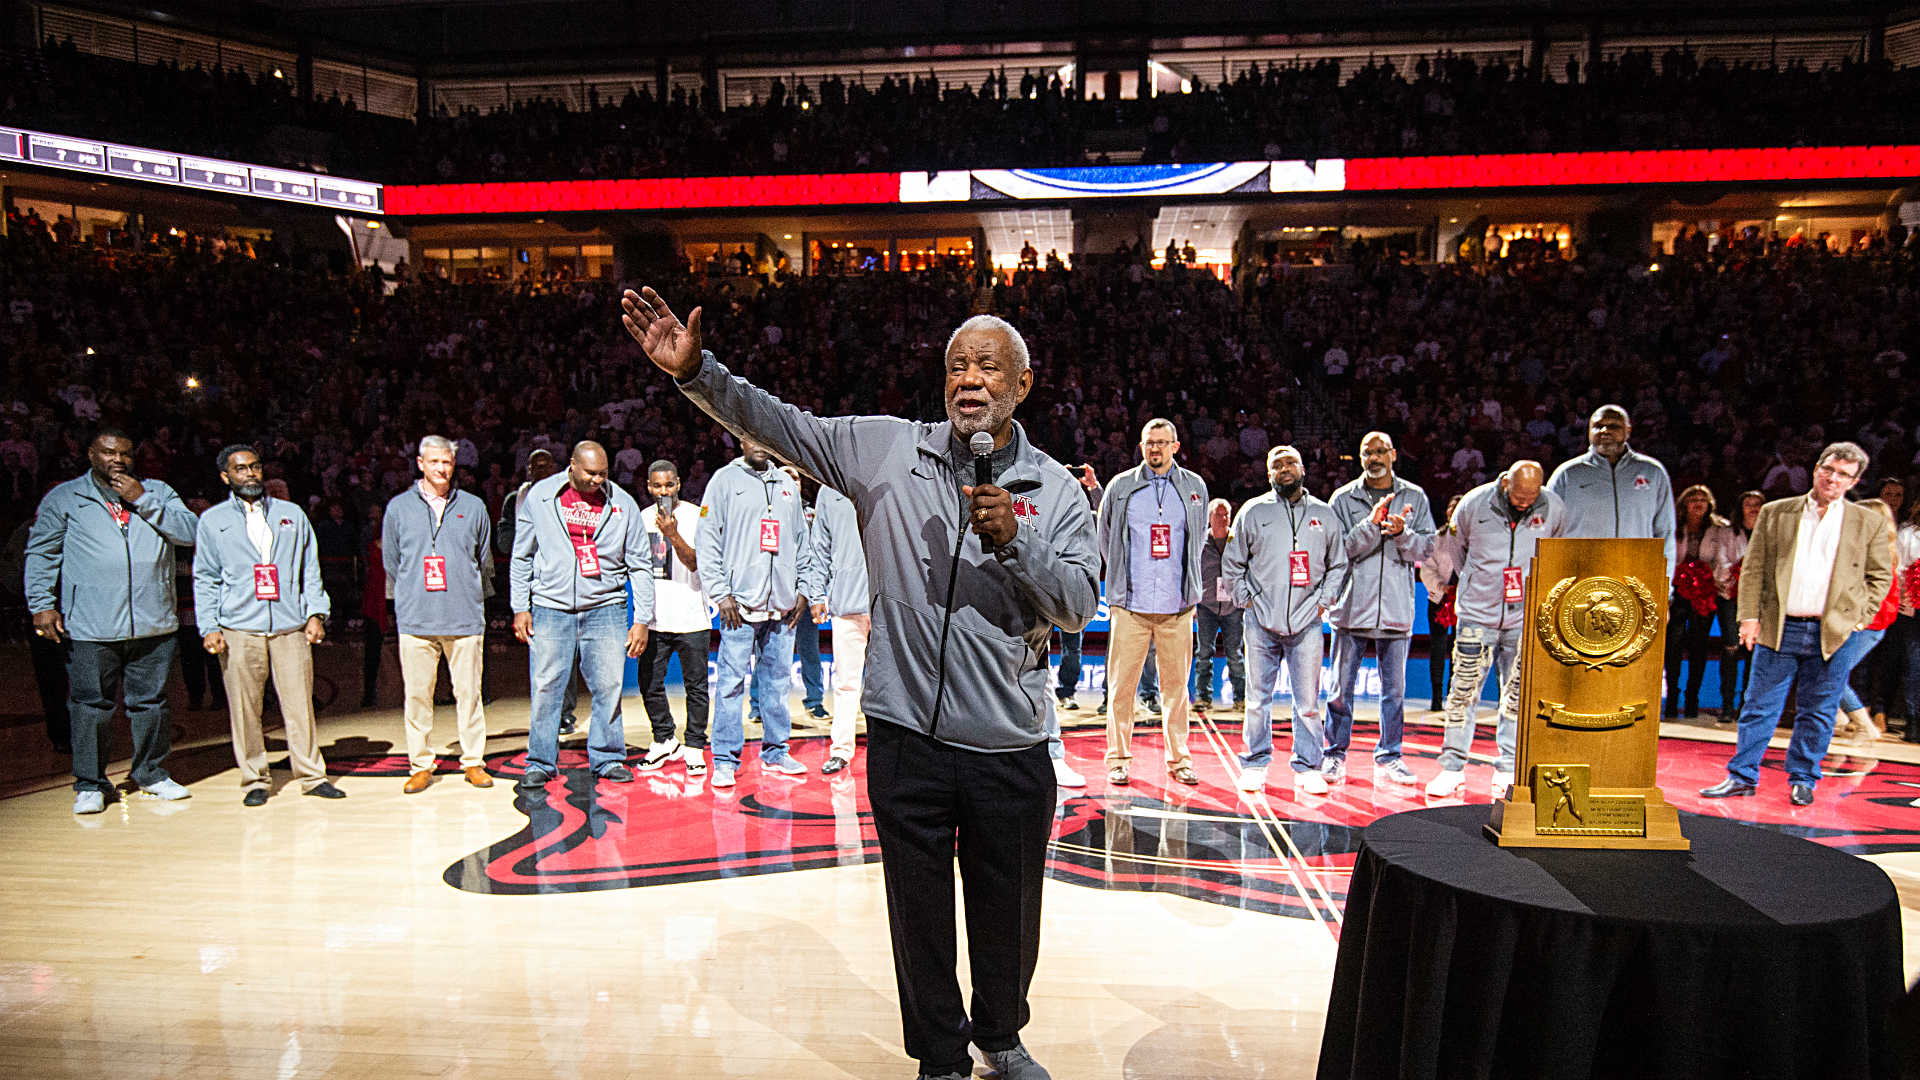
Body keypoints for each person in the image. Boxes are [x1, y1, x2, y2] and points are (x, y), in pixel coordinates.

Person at [624, 286, 1097, 1080]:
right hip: (907, 736)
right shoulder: (884, 448)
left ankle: (1002, 1037)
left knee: (1009, 915)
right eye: (956, 366)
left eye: (988, 367)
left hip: (1009, 742)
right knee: (917, 917)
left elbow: (1079, 604)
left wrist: (1018, 543)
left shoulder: (1055, 490)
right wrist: (697, 372)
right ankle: (941, 1056)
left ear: (1023, 385)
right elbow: (779, 423)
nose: (968, 379)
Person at [1701, 443, 1892, 806]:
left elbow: (1880, 577)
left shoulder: (1867, 521)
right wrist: (1749, 617)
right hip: (1779, 626)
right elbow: (1754, 568)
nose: (1833, 479)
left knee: (1818, 711)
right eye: (1828, 470)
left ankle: (1803, 778)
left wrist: (1859, 617)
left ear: (1854, 481)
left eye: (1843, 475)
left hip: (1833, 633)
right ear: (1817, 468)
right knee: (1758, 706)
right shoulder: (1776, 512)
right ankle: (1742, 776)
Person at [26, 428, 198, 814]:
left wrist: (144, 500)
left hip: (154, 623)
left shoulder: (158, 491)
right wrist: (42, 604)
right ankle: (89, 782)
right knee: (90, 706)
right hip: (91, 626)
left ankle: (152, 774)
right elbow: (41, 554)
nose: (117, 460)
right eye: (108, 453)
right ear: (91, 455)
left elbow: (190, 533)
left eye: (124, 453)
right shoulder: (66, 497)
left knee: (151, 703)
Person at [193, 445, 344, 805]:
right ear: (226, 477)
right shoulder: (213, 521)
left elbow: (311, 568)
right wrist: (208, 626)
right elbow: (205, 577)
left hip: (290, 626)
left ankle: (311, 775)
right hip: (239, 628)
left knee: (299, 705)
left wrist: (316, 613)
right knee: (245, 709)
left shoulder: (291, 514)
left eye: (255, 467)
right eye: (241, 469)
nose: (250, 474)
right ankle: (255, 780)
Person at [509, 440, 654, 788]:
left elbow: (641, 564)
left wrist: (642, 618)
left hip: (606, 607)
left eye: (603, 474)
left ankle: (607, 758)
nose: (597, 480)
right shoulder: (542, 496)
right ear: (572, 465)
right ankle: (541, 762)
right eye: (590, 473)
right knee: (547, 687)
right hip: (550, 607)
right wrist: (520, 606)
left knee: (608, 686)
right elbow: (521, 556)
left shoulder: (622, 503)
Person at [1425, 461, 1565, 800]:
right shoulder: (1474, 503)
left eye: (1531, 496)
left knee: (1516, 696)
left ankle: (1506, 769)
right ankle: (1452, 768)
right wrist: (1479, 585)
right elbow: (1457, 553)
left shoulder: (1553, 506)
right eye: (1519, 495)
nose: (1524, 502)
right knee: (1463, 692)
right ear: (1505, 483)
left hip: (1523, 619)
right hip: (1477, 616)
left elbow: (1557, 552)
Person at [1221, 445, 1347, 796]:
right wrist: (1245, 599)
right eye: (1276, 465)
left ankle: (1308, 766)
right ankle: (1255, 763)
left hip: (1307, 621)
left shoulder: (1325, 513)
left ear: (1303, 468)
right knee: (1258, 698)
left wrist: (1323, 602)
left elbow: (1338, 564)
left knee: (1307, 701)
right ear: (1268, 473)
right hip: (1260, 620)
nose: (1284, 469)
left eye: (1290, 462)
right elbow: (1233, 562)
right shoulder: (1253, 511)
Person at [1095, 418, 1208, 788]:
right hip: (1131, 607)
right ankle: (1117, 760)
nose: (1155, 449)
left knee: (1177, 691)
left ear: (1175, 446)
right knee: (1121, 688)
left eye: (1162, 443)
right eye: (1149, 443)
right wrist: (1124, 581)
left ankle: (1180, 761)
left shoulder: (1194, 487)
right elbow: (1106, 537)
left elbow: (1198, 539)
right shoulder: (1121, 486)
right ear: (1141, 446)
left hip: (1177, 608)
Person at [698, 436, 814, 787]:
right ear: (740, 439)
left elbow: (801, 541)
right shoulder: (724, 481)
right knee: (731, 684)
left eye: (766, 436)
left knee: (778, 683)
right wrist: (721, 594)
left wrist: (804, 590)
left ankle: (776, 752)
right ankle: (724, 759)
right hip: (739, 604)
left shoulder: (786, 485)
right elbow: (707, 540)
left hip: (781, 603)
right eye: (751, 436)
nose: (761, 444)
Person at [385, 435, 496, 793]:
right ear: (420, 463)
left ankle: (474, 761)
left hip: (463, 615)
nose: (441, 468)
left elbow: (483, 560)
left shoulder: (474, 506)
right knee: (417, 695)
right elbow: (393, 562)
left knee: (470, 694)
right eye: (434, 462)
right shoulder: (398, 508)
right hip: (417, 618)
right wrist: (405, 599)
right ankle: (420, 763)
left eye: (447, 462)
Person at [1324, 432, 1435, 787]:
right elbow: (1338, 550)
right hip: (1351, 608)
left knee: (1394, 693)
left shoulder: (1414, 496)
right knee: (1341, 690)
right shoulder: (1342, 499)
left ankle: (1391, 756)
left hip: (1396, 611)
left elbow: (1427, 549)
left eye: (1379, 451)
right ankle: (1334, 755)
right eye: (1366, 452)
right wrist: (1371, 526)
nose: (1373, 458)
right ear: (1360, 458)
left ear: (1393, 454)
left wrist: (1402, 534)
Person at [636, 459, 711, 775]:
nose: (663, 491)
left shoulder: (697, 516)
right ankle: (664, 739)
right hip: (654, 619)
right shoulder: (641, 518)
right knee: (648, 683)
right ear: (649, 486)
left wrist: (673, 534)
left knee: (696, 687)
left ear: (679, 483)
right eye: (657, 485)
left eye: (669, 484)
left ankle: (694, 746)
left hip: (692, 616)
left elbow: (696, 563)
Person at [500, 448, 581, 734]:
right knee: (542, 655)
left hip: (559, 582)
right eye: (536, 466)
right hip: (531, 582)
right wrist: (530, 540)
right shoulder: (516, 500)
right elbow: (504, 540)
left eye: (547, 466)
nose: (542, 471)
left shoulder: (566, 495)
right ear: (529, 470)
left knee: (566, 651)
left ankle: (565, 714)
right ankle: (545, 714)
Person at [1547, 404, 1676, 573]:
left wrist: (1665, 586)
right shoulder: (1568, 474)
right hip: (1581, 579)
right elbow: (1547, 532)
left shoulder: (1652, 472)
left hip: (1636, 577)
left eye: (1614, 426)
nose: (1605, 431)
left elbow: (1665, 531)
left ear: (1628, 430)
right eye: (1598, 426)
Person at [801, 483, 871, 775]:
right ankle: (841, 749)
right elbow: (819, 549)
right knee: (845, 682)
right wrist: (816, 595)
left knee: (895, 684)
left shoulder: (888, 476)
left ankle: (894, 749)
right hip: (847, 602)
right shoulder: (829, 491)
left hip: (891, 602)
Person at [1664, 485, 1739, 719]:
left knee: (1699, 645)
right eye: (1693, 499)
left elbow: (1722, 560)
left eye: (1703, 500)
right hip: (1676, 592)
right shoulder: (1671, 526)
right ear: (1684, 504)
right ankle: (1673, 697)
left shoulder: (1719, 529)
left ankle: (1692, 698)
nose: (1698, 504)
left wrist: (1709, 580)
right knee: (1673, 643)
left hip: (1705, 591)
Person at [1714, 491, 1765, 720]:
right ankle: (1726, 705)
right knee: (1731, 648)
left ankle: (1747, 705)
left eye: (1757, 505)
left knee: (1754, 651)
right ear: (1740, 508)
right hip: (1730, 596)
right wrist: (1740, 574)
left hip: (1761, 600)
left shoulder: (1770, 532)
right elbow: (1721, 562)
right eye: (1748, 504)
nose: (1753, 508)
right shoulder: (1727, 533)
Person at [1191, 498, 1245, 714]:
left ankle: (1241, 698)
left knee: (1235, 654)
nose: (1222, 519)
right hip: (1207, 606)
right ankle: (1203, 697)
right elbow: (1191, 571)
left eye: (1226, 515)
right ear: (1209, 517)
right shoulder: (1199, 541)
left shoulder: (1239, 540)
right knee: (1204, 653)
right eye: (1218, 515)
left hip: (1233, 606)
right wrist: (1192, 601)